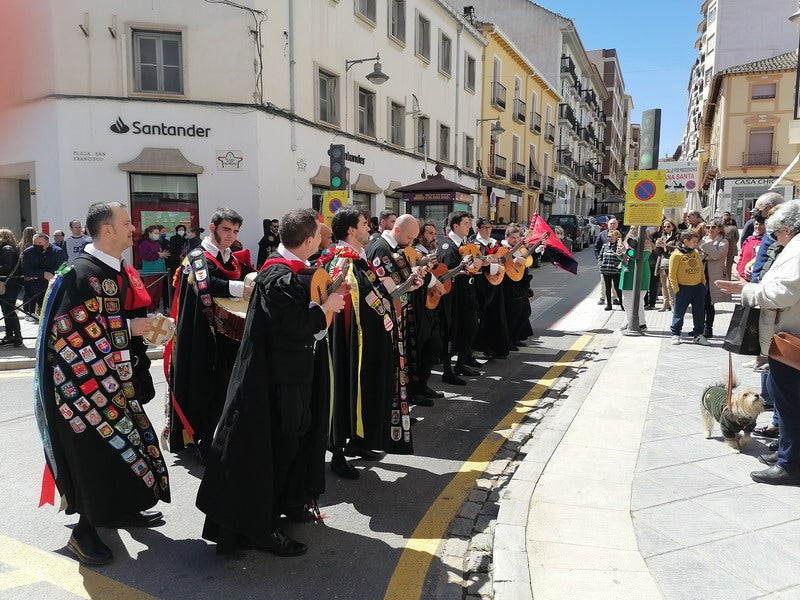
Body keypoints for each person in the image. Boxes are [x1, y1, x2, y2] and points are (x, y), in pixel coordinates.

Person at [196, 208, 346, 555]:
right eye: (319, 239)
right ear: (308, 241)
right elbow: (293, 327)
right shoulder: (276, 276)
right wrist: (328, 307)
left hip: (288, 378)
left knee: (292, 443)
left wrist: (328, 294)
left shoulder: (288, 272)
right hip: (272, 384)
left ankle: (287, 502)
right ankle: (260, 528)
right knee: (273, 450)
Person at [34, 201, 170, 566]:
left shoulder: (116, 269)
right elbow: (68, 333)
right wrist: (131, 328)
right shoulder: (80, 273)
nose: (134, 229)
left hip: (118, 381)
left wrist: (144, 328)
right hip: (84, 392)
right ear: (107, 230)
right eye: (126, 223)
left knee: (125, 446)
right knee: (94, 458)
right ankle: (85, 532)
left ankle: (121, 509)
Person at [716, 200, 800, 485]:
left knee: (790, 403)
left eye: (776, 234)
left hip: (791, 340)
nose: (775, 239)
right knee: (787, 402)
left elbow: (784, 293)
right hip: (787, 335)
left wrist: (748, 290)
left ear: (787, 229)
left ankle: (790, 463)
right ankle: (788, 453)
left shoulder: (798, 249)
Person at [167, 207, 254, 459]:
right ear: (213, 227)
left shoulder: (231, 257)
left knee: (226, 387)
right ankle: (202, 440)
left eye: (235, 231)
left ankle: (222, 434)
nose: (230, 235)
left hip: (226, 334)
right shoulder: (197, 255)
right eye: (226, 229)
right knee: (203, 386)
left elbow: (248, 275)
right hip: (200, 334)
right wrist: (242, 288)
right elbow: (207, 285)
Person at [324, 208, 396, 479]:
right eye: (365, 224)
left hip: (367, 340)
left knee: (363, 390)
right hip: (349, 344)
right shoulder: (340, 260)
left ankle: (359, 439)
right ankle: (338, 452)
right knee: (345, 391)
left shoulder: (359, 258)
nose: (370, 227)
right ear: (351, 230)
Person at [365, 214, 427, 420]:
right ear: (398, 230)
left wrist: (412, 281)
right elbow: (386, 288)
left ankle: (398, 412)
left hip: (397, 315)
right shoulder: (381, 248)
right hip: (386, 317)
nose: (411, 243)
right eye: (409, 238)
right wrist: (408, 284)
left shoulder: (393, 249)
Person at [437, 211, 487, 384]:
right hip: (453, 297)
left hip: (467, 292)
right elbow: (446, 272)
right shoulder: (447, 246)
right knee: (451, 332)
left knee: (469, 328)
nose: (469, 227)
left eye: (469, 223)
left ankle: (461, 363)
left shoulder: (466, 243)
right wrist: (463, 267)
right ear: (455, 225)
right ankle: (447, 371)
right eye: (466, 223)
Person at [471, 217, 510, 359]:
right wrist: (492, 264)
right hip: (481, 284)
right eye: (485, 227)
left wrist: (496, 263)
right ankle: (482, 346)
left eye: (489, 227)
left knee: (497, 315)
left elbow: (502, 258)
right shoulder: (474, 243)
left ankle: (497, 347)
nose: (488, 230)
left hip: (496, 283)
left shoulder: (495, 243)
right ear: (478, 229)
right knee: (483, 316)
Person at [668, 230, 708, 345]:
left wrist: (703, 283)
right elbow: (672, 274)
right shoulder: (676, 255)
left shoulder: (695, 252)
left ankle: (698, 334)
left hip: (697, 287)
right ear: (685, 241)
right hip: (683, 288)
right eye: (694, 241)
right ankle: (676, 334)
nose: (696, 244)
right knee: (679, 312)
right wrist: (676, 289)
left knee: (699, 312)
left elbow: (700, 267)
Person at [502, 224, 538, 342]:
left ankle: (516, 336)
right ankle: (511, 339)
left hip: (521, 284)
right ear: (507, 237)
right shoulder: (504, 249)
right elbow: (504, 262)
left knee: (525, 311)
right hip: (510, 286)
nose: (516, 240)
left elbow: (528, 260)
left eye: (518, 238)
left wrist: (537, 249)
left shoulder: (521, 248)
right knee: (513, 314)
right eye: (513, 238)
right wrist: (514, 261)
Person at [698, 218, 730, 339]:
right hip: (701, 275)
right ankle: (699, 327)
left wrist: (706, 249)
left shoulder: (724, 242)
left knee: (709, 303)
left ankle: (708, 329)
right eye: (708, 227)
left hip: (714, 277)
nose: (710, 229)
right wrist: (707, 253)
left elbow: (716, 255)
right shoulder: (704, 239)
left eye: (713, 227)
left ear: (719, 229)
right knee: (700, 303)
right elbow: (699, 255)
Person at [22, 233, 65, 319]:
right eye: (35, 243)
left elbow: (62, 268)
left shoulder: (57, 252)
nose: (36, 245)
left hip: (53, 285)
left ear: (47, 244)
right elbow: (25, 270)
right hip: (35, 285)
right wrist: (43, 273)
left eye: (39, 243)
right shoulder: (28, 252)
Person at [619, 227, 653, 332]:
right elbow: (622, 257)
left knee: (637, 301)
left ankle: (641, 323)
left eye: (636, 228)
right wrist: (620, 252)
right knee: (626, 301)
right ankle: (629, 320)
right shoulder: (626, 241)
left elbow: (642, 257)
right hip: (627, 273)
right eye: (632, 228)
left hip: (640, 274)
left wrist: (627, 251)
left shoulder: (646, 242)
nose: (633, 230)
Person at [138, 225, 170, 313]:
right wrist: (158, 255)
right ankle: (150, 310)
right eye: (155, 233)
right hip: (151, 272)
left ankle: (154, 309)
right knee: (151, 293)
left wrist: (161, 255)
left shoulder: (157, 243)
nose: (157, 235)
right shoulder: (145, 243)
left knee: (157, 294)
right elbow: (144, 255)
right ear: (149, 233)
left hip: (159, 272)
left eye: (158, 233)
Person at [0, 229, 23, 346]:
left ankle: (17, 336)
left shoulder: (6, 249)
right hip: (10, 284)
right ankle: (10, 335)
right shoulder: (9, 248)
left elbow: (6, 267)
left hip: (10, 284)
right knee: (6, 310)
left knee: (9, 310)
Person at [654, 218, 679, 312]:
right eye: (664, 226)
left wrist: (665, 246)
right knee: (664, 285)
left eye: (668, 226)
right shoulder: (663, 236)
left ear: (673, 227)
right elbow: (658, 252)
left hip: (671, 263)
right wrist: (657, 246)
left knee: (670, 285)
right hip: (662, 263)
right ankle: (665, 304)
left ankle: (673, 304)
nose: (666, 228)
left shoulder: (677, 236)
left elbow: (678, 248)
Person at [595, 218, 620, 304]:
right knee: (603, 282)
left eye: (614, 223)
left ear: (617, 225)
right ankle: (602, 297)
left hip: (615, 265)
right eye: (611, 223)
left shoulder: (620, 235)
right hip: (605, 264)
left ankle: (615, 298)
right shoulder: (602, 234)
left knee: (615, 283)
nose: (612, 225)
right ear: (608, 224)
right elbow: (597, 247)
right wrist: (600, 259)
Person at [598, 229, 624, 311]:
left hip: (616, 270)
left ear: (617, 237)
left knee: (617, 288)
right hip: (606, 270)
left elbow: (623, 257)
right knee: (607, 288)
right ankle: (609, 305)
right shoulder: (605, 246)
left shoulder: (619, 246)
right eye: (608, 236)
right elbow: (600, 256)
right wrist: (600, 263)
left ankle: (622, 304)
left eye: (612, 236)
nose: (610, 238)